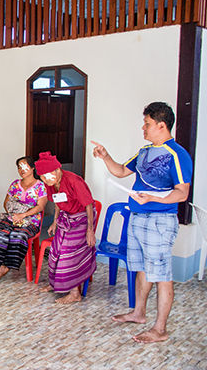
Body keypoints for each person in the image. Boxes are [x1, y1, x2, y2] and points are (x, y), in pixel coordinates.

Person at [92, 101, 192, 343]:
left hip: (160, 220)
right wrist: (106, 157)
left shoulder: (177, 154)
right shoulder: (144, 152)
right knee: (141, 269)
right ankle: (138, 313)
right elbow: (120, 171)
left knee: (161, 274)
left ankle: (160, 330)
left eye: (147, 124)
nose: (143, 128)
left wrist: (153, 198)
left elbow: (182, 193)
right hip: (137, 216)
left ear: (161, 125)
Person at [36, 151, 97, 304]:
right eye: (42, 177)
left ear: (58, 170)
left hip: (83, 218)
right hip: (66, 216)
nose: (45, 180)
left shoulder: (73, 181)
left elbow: (88, 204)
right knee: (55, 250)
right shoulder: (50, 183)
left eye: (47, 176)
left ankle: (74, 293)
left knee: (68, 253)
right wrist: (55, 221)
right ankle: (56, 284)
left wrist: (90, 230)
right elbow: (58, 202)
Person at [0, 156, 48, 280]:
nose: (21, 170)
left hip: (31, 222)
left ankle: (7, 266)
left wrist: (23, 215)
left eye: (25, 167)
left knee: (18, 236)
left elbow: (40, 206)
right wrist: (14, 216)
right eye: (19, 167)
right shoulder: (15, 184)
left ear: (33, 168)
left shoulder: (40, 186)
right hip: (12, 218)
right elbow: (6, 203)